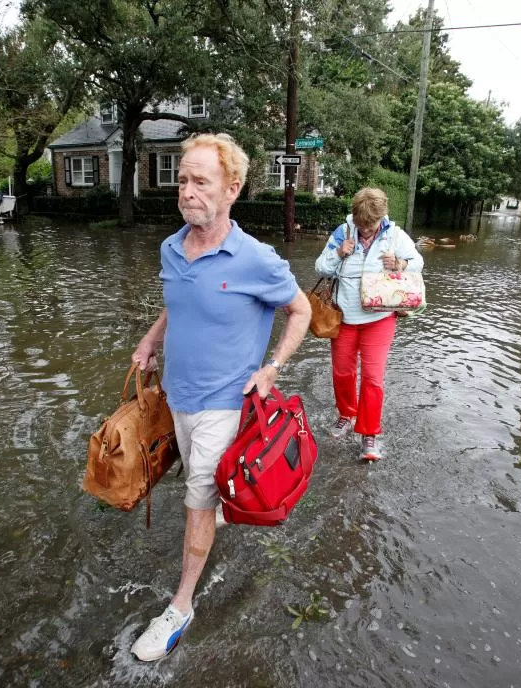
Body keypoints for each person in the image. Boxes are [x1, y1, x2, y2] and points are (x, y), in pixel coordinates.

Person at [129, 133, 311, 661]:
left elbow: (300, 310)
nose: (186, 191)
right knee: (199, 486)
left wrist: (272, 368)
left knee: (196, 502)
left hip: (225, 404)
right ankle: (221, 504)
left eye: (200, 181)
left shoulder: (257, 260)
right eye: (183, 179)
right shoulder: (170, 246)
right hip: (176, 396)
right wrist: (150, 339)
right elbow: (176, 300)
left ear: (232, 189)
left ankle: (181, 607)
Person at [314, 187, 423, 461]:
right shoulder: (343, 232)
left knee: (373, 379)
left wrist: (399, 263)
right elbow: (320, 268)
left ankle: (369, 433)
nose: (365, 231)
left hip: (379, 318)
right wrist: (339, 252)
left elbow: (418, 263)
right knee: (342, 373)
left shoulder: (395, 236)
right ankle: (346, 415)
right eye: (361, 225)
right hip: (345, 318)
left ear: (381, 218)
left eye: (370, 225)